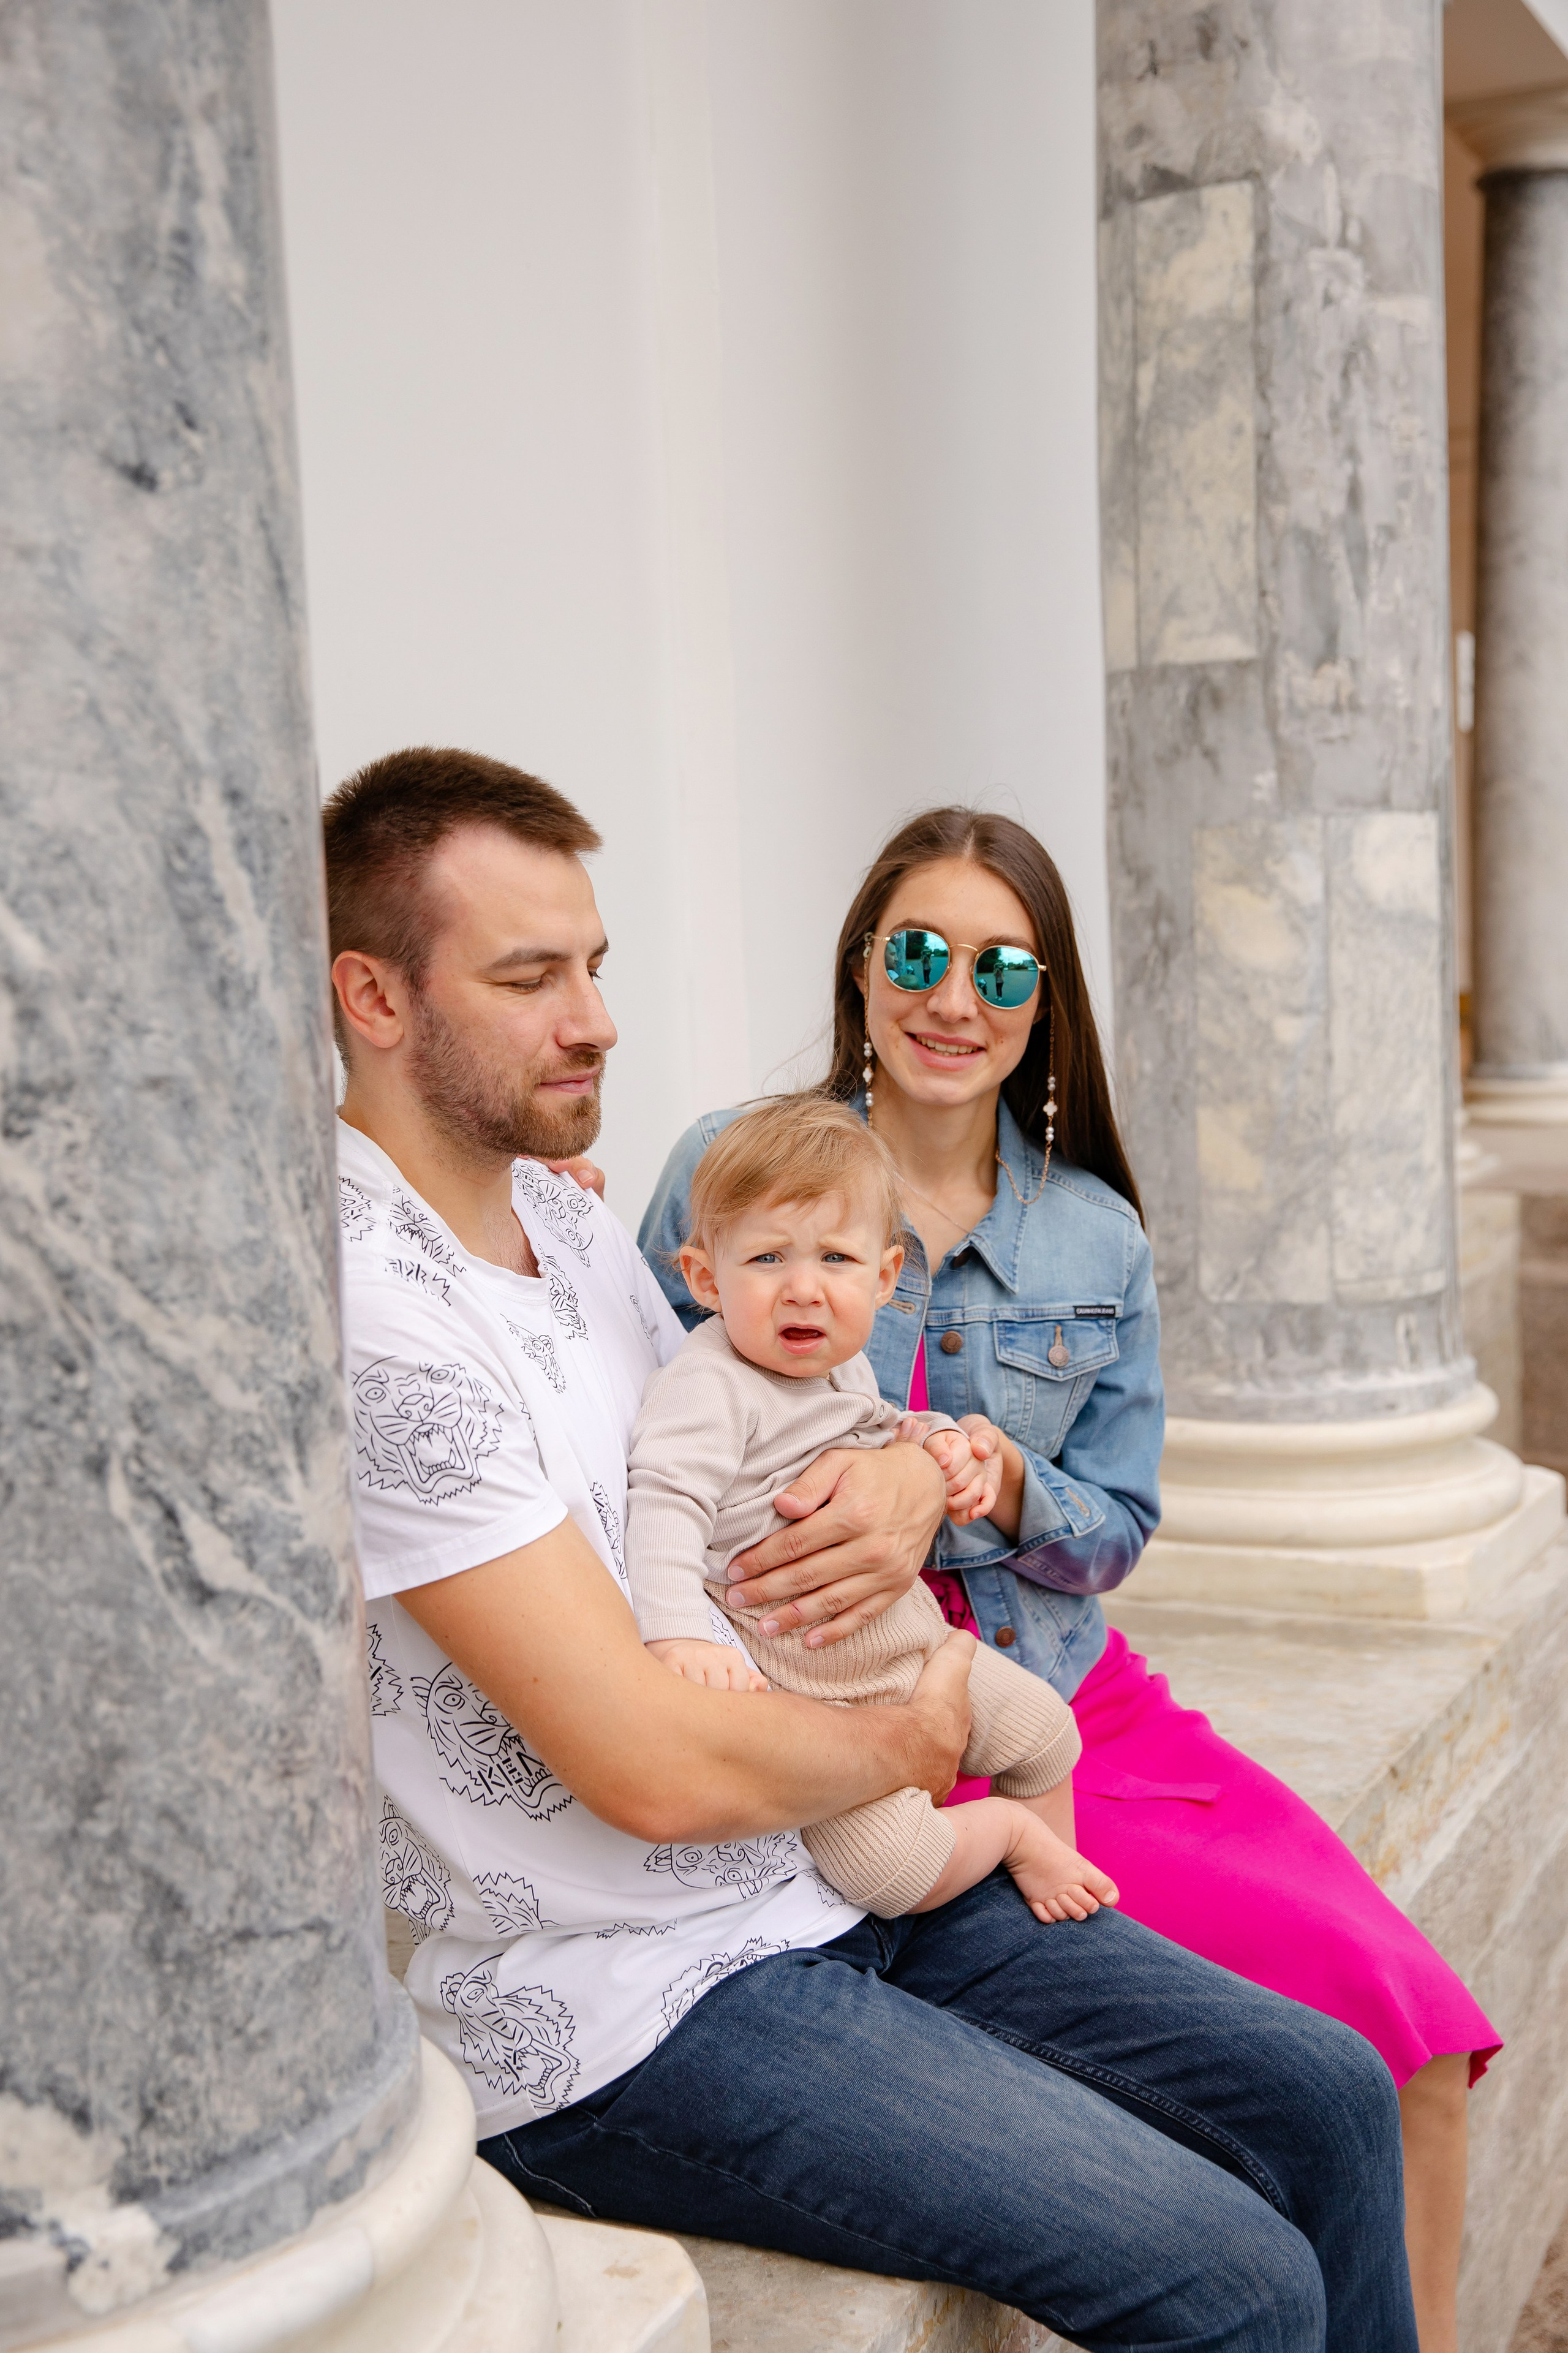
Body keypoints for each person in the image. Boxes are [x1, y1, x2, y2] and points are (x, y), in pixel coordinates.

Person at [326, 745, 1419, 2351]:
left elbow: (770, 1414)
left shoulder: (560, 1215)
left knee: (1328, 2092)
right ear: (375, 997)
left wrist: (917, 1483)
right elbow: (648, 1769)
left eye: (600, 966)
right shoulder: (379, 1320)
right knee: (1229, 2277)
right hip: (629, 1997)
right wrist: (916, 1730)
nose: (598, 1018)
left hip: (827, 1871)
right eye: (531, 975)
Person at [639, 804, 1501, 2353]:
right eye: (913, 952)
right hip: (842, 1706)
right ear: (857, 972)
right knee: (1290, 2064)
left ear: (1045, 1000)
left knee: (1411, 2028)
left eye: (998, 965)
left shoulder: (1090, 1236)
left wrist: (996, 1481)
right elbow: (625, 1408)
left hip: (1061, 1706)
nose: (950, 998)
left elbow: (1118, 1518)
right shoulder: (727, 1171)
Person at [625, 1092, 1110, 1925]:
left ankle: (1057, 1934)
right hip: (823, 1706)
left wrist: (938, 1445)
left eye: (837, 1261)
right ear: (706, 1277)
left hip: (915, 1645)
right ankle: (1006, 1837)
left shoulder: (843, 1369)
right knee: (888, 1870)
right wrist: (672, 1630)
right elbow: (665, 1500)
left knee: (1047, 1733)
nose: (804, 1291)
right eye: (769, 1258)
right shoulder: (710, 1384)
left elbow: (886, 1425)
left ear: (886, 1277)